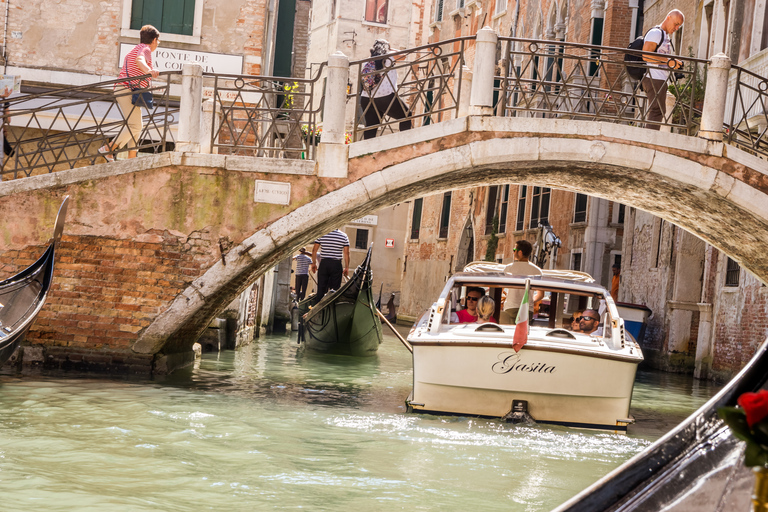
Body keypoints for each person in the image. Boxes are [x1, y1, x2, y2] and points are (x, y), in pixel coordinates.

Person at [99, 25, 160, 162]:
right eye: (158, 42)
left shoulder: (136, 48)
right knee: (136, 126)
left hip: (126, 89)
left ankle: (131, 158)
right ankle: (108, 149)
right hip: (126, 89)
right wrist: (149, 71)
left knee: (136, 126)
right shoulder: (146, 49)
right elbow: (140, 61)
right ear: (154, 40)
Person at [360, 39, 412, 140]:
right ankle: (404, 142)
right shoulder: (389, 57)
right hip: (385, 96)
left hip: (366, 97)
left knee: (371, 126)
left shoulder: (366, 61)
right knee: (406, 115)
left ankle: (366, 152)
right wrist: (390, 48)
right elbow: (404, 55)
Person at [641, 10, 685, 130]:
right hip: (653, 77)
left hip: (659, 78)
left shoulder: (665, 36)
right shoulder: (656, 33)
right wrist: (669, 61)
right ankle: (648, 141)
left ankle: (649, 138)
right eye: (676, 24)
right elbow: (646, 55)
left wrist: (674, 63)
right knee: (657, 110)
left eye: (679, 26)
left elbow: (661, 57)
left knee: (659, 110)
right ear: (668, 17)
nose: (676, 28)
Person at [500, 240, 544, 323]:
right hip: (527, 309)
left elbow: (500, 290)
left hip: (510, 307)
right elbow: (541, 294)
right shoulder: (537, 271)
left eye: (514, 250)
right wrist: (530, 300)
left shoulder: (508, 268)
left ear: (520, 252)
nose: (513, 253)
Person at [310, 229, 350, 299]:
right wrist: (346, 267)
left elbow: (314, 250)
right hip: (336, 264)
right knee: (335, 290)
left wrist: (314, 263)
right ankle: (332, 307)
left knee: (321, 288)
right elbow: (346, 253)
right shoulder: (344, 236)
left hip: (324, 264)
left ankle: (319, 307)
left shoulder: (322, 234)